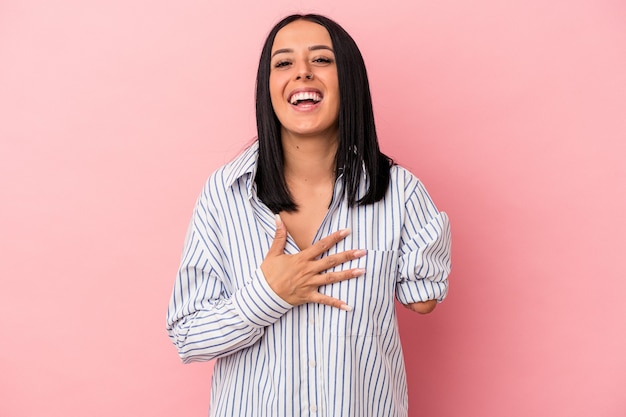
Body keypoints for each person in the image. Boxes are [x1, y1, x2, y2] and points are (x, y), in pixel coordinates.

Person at [166, 13, 451, 417]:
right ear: (268, 88)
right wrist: (267, 293)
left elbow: (423, 296)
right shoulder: (226, 194)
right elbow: (188, 336)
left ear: (348, 80)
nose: (302, 73)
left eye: (321, 60)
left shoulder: (399, 192)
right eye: (283, 63)